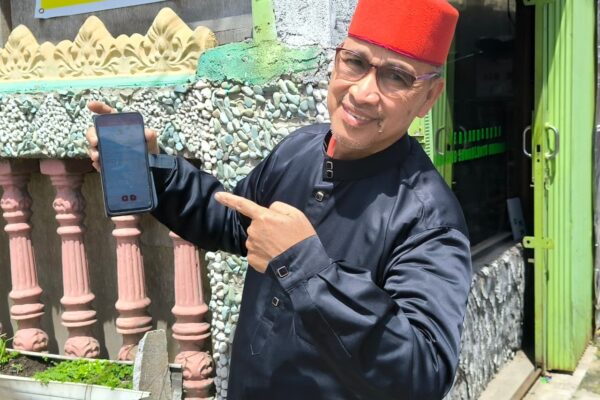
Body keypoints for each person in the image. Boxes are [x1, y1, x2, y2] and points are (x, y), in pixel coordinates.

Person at [87, 0, 472, 398]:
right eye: (355, 62)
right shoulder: (300, 149)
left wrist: (305, 266)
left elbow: (423, 373)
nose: (362, 92)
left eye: (396, 77)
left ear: (429, 97)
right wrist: (154, 171)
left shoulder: (429, 219)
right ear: (336, 62)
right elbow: (233, 222)